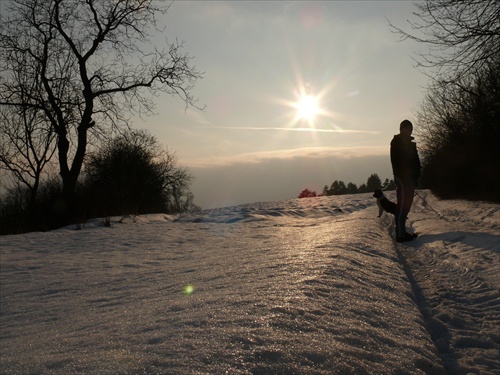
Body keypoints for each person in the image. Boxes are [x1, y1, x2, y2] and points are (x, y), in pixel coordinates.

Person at [390, 120, 421, 242]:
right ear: (401, 129)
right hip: (402, 178)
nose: (409, 130)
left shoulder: (411, 143)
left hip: (411, 178)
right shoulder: (396, 142)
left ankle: (402, 232)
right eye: (406, 128)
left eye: (410, 128)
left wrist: (416, 175)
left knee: (406, 204)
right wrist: (401, 175)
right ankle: (400, 234)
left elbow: (415, 161)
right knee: (402, 204)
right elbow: (396, 161)